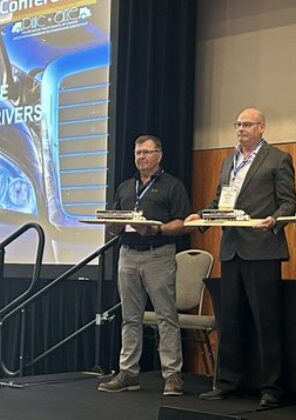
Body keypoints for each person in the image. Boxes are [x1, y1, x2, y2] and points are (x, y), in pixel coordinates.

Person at [188, 108, 296, 408]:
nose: (241, 129)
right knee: (231, 318)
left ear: (262, 127)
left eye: (247, 124)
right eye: (237, 124)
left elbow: (289, 202)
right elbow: (220, 201)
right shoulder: (228, 161)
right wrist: (203, 215)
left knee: (266, 321)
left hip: (262, 248)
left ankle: (272, 388)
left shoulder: (277, 159)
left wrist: (275, 220)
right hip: (231, 248)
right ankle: (227, 382)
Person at [97, 135, 190, 396]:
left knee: (166, 316)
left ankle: (172, 375)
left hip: (158, 254)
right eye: (138, 153)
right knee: (129, 317)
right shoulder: (126, 186)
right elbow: (117, 218)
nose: (141, 157)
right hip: (127, 254)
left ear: (159, 155)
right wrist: (113, 226)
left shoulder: (172, 186)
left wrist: (155, 231)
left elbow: (182, 223)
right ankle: (128, 372)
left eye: (147, 152)